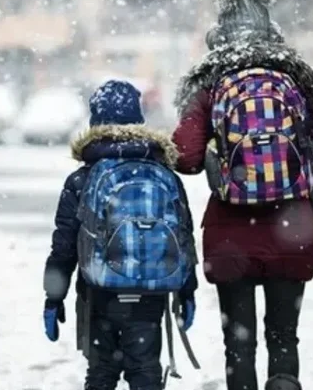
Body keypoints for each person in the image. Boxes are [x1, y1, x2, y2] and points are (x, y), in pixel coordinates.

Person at [171, 0, 313, 390]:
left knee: (238, 344)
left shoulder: (209, 85)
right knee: (283, 336)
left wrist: (216, 155)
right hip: (291, 228)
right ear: (270, 29)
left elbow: (186, 157)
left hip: (231, 234)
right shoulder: (295, 82)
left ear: (220, 33)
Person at [42, 80, 199, 390]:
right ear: (138, 121)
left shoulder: (82, 178)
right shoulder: (162, 172)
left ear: (95, 122)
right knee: (145, 371)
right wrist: (187, 290)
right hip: (151, 292)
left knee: (101, 373)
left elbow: (64, 246)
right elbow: (183, 236)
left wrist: (53, 298)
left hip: (99, 291)